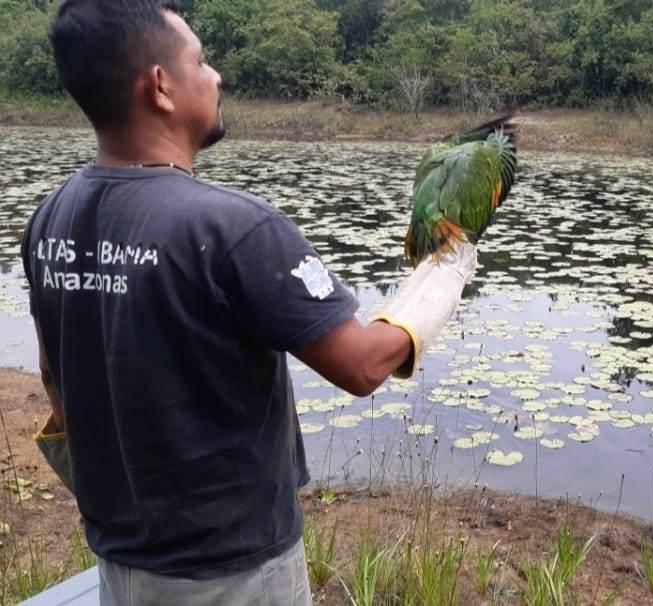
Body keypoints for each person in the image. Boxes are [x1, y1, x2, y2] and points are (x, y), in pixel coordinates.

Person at [19, 1, 476, 604]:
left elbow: (56, 382)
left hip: (120, 561)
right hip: (230, 571)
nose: (217, 77)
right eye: (201, 61)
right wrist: (440, 280)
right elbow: (363, 366)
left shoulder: (48, 218)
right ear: (161, 87)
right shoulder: (235, 226)